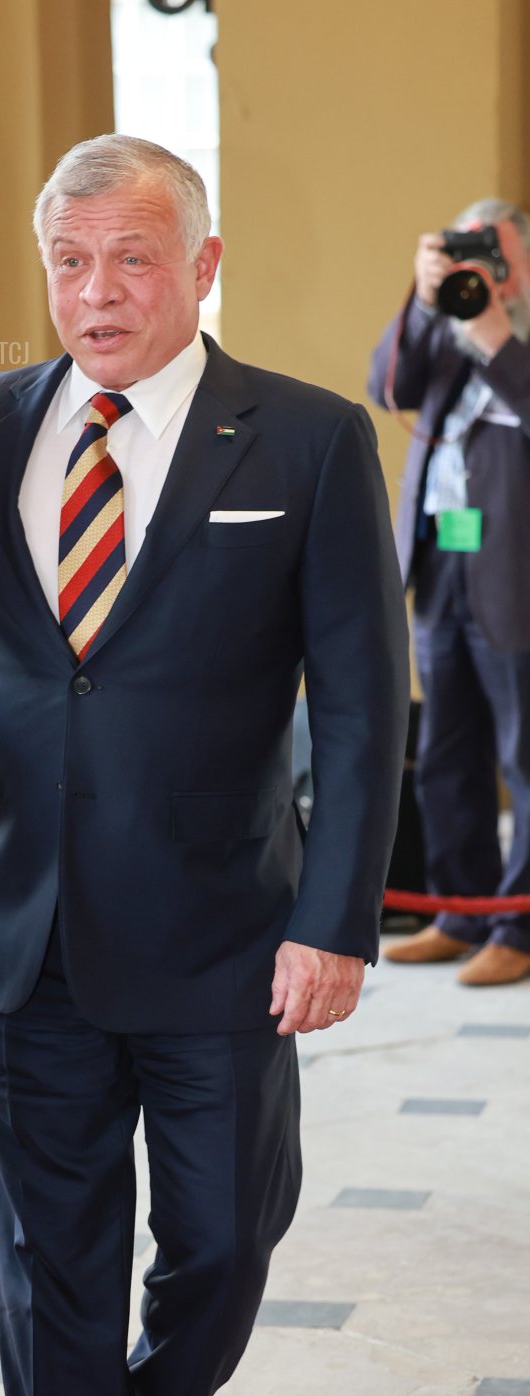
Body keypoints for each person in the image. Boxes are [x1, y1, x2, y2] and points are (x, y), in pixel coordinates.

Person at [0, 135, 408, 1396]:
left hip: (227, 938)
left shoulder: (308, 441)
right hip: (28, 938)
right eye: (71, 261)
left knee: (219, 1244)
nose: (98, 292)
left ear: (202, 267)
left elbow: (363, 705)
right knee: (49, 1266)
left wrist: (336, 916)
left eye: (133, 257)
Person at [369, 200, 530, 986]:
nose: (481, 271)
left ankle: (519, 927)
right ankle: (459, 911)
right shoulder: (446, 324)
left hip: (517, 574)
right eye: (465, 253)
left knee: (523, 755)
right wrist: (424, 298)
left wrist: (500, 344)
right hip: (441, 564)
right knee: (446, 751)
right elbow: (387, 385)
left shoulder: (510, 337)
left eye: (493, 255)